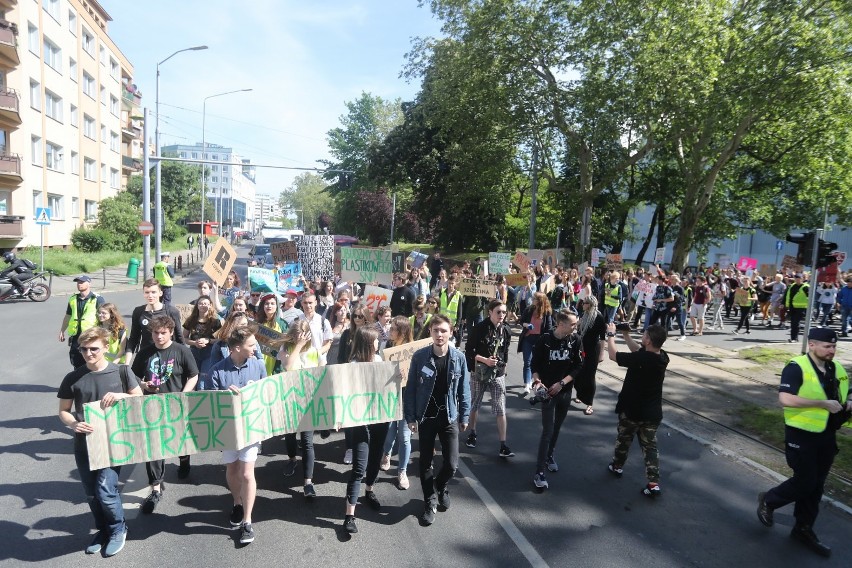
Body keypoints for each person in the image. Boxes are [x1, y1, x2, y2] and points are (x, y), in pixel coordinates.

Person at [756, 328, 850, 558]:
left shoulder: (835, 368)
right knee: (806, 482)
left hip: (826, 435)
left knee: (816, 486)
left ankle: (803, 529)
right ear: (812, 345)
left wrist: (846, 405)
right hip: (801, 435)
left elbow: (840, 395)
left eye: (834, 346)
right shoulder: (796, 366)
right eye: (827, 346)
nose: (831, 350)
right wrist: (822, 404)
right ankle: (769, 499)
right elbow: (785, 399)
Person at [57, 327, 142, 557]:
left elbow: (139, 398)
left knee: (105, 489)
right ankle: (103, 530)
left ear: (106, 347)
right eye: (83, 349)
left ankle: (118, 529)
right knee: (91, 493)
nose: (88, 353)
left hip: (114, 441)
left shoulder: (121, 372)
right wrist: (73, 424)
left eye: (94, 348)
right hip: (84, 443)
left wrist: (121, 396)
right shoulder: (73, 378)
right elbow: (63, 411)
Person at [404, 314, 471, 527]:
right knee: (425, 462)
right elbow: (411, 389)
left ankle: (440, 485)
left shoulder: (458, 357)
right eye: (435, 330)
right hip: (426, 417)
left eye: (443, 330)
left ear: (451, 332)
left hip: (449, 416)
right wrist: (411, 417)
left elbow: (464, 389)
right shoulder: (420, 357)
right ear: (430, 332)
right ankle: (429, 501)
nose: (439, 334)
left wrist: (465, 415)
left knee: (451, 464)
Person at [131, 315, 199, 513]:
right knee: (153, 447)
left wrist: (184, 395)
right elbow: (133, 377)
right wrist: (144, 384)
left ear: (170, 332)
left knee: (179, 441)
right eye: (155, 333)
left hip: (176, 404)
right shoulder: (145, 353)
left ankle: (184, 460)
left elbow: (193, 375)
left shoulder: (181, 351)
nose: (159, 337)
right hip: (152, 405)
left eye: (163, 333)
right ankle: (156, 488)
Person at [209, 326, 267, 545]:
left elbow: (266, 395)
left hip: (251, 428)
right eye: (251, 345)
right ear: (236, 348)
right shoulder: (217, 370)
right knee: (232, 469)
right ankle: (236, 503)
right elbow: (209, 403)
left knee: (246, 473)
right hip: (228, 430)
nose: (255, 348)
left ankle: (247, 521)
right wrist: (225, 397)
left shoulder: (259, 365)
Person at [605, 322, 669, 497]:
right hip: (652, 413)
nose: (642, 336)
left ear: (648, 341)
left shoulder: (641, 359)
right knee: (650, 447)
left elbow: (612, 355)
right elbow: (638, 351)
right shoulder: (662, 357)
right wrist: (626, 336)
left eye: (644, 335)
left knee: (624, 439)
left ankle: (617, 466)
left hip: (632, 410)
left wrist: (611, 335)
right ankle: (653, 483)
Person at [530, 310, 583, 489]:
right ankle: (539, 471)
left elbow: (579, 366)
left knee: (557, 427)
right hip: (548, 393)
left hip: (565, 392)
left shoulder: (576, 340)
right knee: (548, 430)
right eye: (573, 324)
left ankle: (549, 455)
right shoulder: (544, 340)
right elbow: (534, 365)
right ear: (561, 324)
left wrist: (563, 382)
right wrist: (537, 382)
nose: (576, 327)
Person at [342, 326, 388, 534]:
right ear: (368, 343)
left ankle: (369, 490)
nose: (379, 343)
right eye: (376, 340)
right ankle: (349, 515)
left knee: (375, 457)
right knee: (359, 467)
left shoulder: (379, 361)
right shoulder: (353, 366)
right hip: (361, 421)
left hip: (380, 419)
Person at [275, 320, 321, 495]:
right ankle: (292, 459)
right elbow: (287, 366)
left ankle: (308, 482)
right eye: (296, 336)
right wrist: (298, 346)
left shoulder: (315, 352)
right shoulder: (285, 350)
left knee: (308, 442)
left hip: (308, 402)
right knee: (290, 435)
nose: (299, 339)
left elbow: (322, 372)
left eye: (302, 336)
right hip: (290, 401)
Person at [464, 300, 513, 457]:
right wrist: (485, 360)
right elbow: (469, 351)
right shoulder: (479, 329)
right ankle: (472, 433)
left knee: (500, 408)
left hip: (497, 374)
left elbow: (505, 352)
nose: (501, 315)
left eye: (504, 312)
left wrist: (503, 368)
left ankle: (503, 445)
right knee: (474, 404)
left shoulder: (506, 330)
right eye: (498, 312)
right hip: (479, 372)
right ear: (490, 312)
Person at [379, 316, 415, 489]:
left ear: (401, 331)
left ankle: (402, 471)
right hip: (391, 397)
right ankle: (386, 453)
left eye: (392, 329)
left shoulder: (414, 351)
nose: (389, 331)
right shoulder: (387, 346)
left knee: (404, 437)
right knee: (390, 431)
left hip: (407, 398)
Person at [125, 279, 185, 364]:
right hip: (146, 356)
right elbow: (134, 338)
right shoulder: (138, 311)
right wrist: (127, 364)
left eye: (153, 292)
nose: (150, 295)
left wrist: (184, 361)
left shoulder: (171, 311)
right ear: (143, 293)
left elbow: (179, 337)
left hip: (168, 356)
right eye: (147, 292)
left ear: (160, 293)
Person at [59, 275, 105, 368]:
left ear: (89, 284)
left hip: (91, 335)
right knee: (76, 361)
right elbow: (68, 316)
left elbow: (103, 317)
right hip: (76, 336)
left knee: (91, 361)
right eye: (78, 282)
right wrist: (62, 331)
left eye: (82, 282)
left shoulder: (97, 298)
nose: (79, 284)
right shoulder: (73, 299)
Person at [573, 296, 606, 415]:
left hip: (593, 349)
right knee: (579, 371)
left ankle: (589, 403)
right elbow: (579, 332)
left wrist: (602, 353)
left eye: (584, 303)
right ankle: (580, 395)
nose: (582, 304)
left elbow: (602, 337)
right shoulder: (584, 314)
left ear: (590, 304)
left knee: (590, 375)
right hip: (582, 347)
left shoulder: (599, 317)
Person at [183, 295, 223, 390]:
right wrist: (194, 343)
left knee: (203, 378)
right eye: (200, 303)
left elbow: (221, 339)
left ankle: (202, 397)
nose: (203, 305)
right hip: (194, 353)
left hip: (209, 353)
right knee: (193, 377)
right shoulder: (191, 320)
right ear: (197, 305)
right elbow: (184, 338)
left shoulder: (215, 321)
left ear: (210, 305)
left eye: (205, 303)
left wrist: (208, 341)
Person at [518, 292, 555, 394]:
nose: (532, 299)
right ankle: (527, 383)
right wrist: (526, 325)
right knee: (527, 362)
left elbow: (549, 328)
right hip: (528, 338)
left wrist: (547, 340)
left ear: (540, 301)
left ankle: (538, 382)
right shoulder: (529, 309)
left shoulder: (547, 312)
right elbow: (521, 321)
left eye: (534, 298)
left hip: (540, 340)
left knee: (538, 362)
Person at [255, 293, 289, 375]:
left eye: (272, 303)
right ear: (263, 306)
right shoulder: (256, 323)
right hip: (258, 364)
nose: (269, 306)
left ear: (277, 306)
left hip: (276, 366)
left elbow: (287, 346)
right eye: (266, 303)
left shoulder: (283, 324)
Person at [299, 291, 333, 364]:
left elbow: (328, 343)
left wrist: (316, 354)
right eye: (305, 303)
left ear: (315, 303)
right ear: (301, 303)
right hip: (300, 362)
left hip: (319, 362)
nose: (308, 305)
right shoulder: (296, 321)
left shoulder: (323, 321)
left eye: (310, 303)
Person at [785, 273, 809, 343]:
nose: (797, 280)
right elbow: (788, 296)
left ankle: (794, 338)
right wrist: (786, 305)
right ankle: (793, 338)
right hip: (792, 307)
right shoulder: (792, 286)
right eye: (796, 278)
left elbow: (810, 297)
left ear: (802, 279)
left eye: (799, 278)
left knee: (796, 323)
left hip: (801, 307)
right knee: (793, 323)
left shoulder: (805, 287)